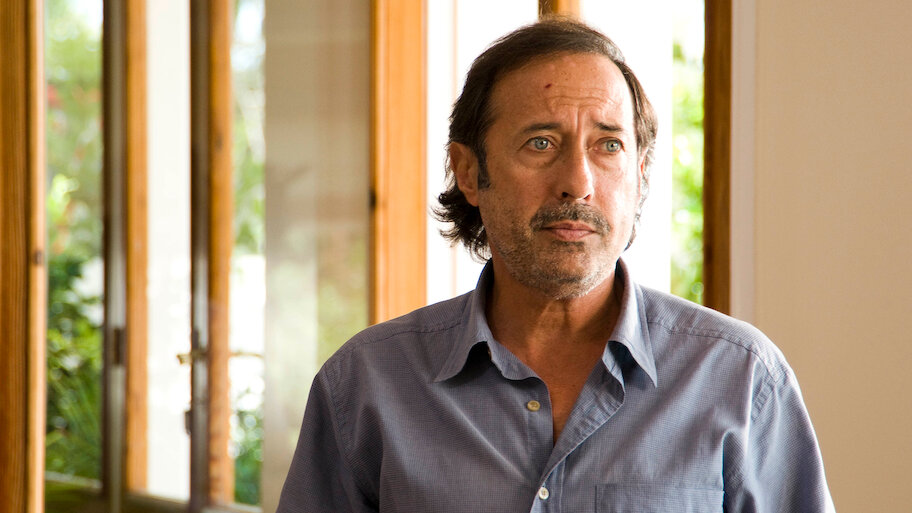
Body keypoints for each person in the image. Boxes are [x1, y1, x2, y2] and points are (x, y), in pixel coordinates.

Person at [277, 18, 834, 512]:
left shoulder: (741, 379)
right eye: (541, 143)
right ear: (468, 172)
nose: (578, 183)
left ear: (640, 174)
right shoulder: (365, 387)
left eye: (608, 145)